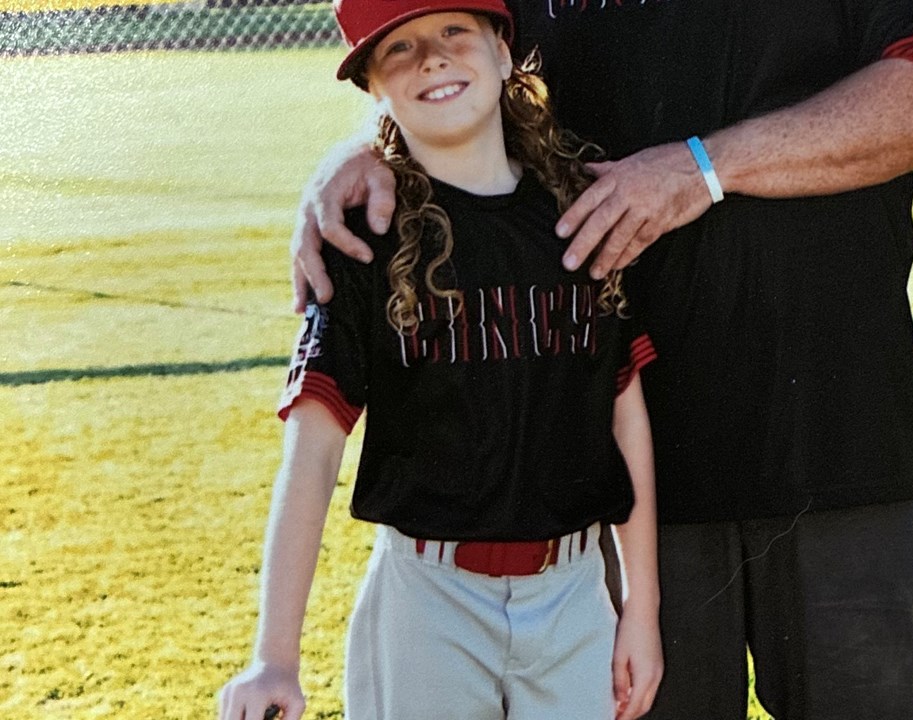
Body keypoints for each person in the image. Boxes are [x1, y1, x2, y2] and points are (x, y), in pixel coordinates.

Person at [293, 1, 913, 718]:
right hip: (632, 494)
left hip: (845, 451)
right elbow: (453, 62)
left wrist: (702, 168)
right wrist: (362, 150)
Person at [218, 1, 663, 719]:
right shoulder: (366, 238)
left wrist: (640, 608)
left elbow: (625, 415)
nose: (431, 57)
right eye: (398, 48)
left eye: (455, 31)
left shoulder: (577, 211)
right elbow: (313, 451)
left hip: (575, 592)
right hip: (428, 600)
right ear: (374, 89)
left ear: (503, 50)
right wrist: (275, 655)